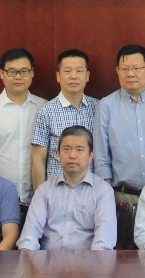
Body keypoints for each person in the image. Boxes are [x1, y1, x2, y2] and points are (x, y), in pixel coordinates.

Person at [94, 44, 145, 203]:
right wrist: (105, 198)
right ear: (117, 71)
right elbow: (101, 156)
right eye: (125, 69)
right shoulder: (106, 105)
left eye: (136, 68)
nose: (130, 74)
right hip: (123, 196)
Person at [18, 126, 117, 250]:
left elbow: (103, 243)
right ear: (58, 154)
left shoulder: (103, 191)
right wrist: (28, 257)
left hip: (88, 261)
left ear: (91, 155)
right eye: (66, 149)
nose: (72, 155)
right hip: (48, 261)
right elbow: (29, 237)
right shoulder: (44, 190)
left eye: (79, 150)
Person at [0, 48, 47, 203]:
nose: (18, 77)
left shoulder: (44, 108)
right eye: (12, 72)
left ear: (32, 73)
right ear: (2, 73)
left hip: (35, 198)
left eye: (24, 71)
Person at [31, 49, 99, 191]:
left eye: (79, 71)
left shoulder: (99, 108)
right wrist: (40, 197)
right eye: (67, 71)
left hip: (91, 192)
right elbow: (38, 160)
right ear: (58, 76)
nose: (73, 76)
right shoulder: (45, 112)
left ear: (87, 76)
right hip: (56, 192)